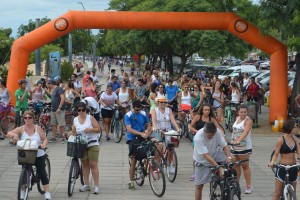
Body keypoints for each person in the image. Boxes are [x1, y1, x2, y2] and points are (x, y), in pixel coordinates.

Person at [7, 111, 52, 200]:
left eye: (29, 118)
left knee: (42, 173)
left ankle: (47, 192)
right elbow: (8, 133)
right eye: (25, 118)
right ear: (23, 119)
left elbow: (45, 139)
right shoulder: (21, 129)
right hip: (26, 154)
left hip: (38, 153)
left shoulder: (37, 128)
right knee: (23, 175)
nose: (27, 119)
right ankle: (23, 191)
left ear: (33, 119)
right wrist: (14, 135)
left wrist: (43, 145)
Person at [69, 102, 101, 194]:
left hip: (92, 143)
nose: (81, 111)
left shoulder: (90, 118)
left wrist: (90, 129)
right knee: (85, 164)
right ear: (77, 111)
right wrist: (68, 134)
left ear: (85, 109)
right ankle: (86, 184)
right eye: (79, 110)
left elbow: (98, 129)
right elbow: (73, 131)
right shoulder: (75, 120)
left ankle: (96, 186)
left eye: (83, 109)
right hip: (82, 144)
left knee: (93, 164)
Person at [193, 122, 231, 200]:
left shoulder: (217, 131)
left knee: (233, 159)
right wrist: (218, 167)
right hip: (202, 161)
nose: (212, 136)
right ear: (205, 131)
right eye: (210, 135)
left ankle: (230, 182)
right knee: (199, 186)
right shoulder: (198, 137)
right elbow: (207, 156)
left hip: (215, 155)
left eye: (213, 134)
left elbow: (225, 145)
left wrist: (228, 157)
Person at [268, 120, 300, 200]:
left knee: (293, 193)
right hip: (282, 167)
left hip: (293, 167)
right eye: (295, 127)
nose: (296, 128)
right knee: (277, 193)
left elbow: (299, 153)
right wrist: (272, 162)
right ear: (290, 128)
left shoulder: (296, 140)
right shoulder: (281, 140)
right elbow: (276, 154)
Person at [125, 100, 151, 190]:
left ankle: (150, 166)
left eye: (139, 110)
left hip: (143, 135)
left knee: (154, 146)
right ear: (132, 107)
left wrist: (148, 130)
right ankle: (131, 181)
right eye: (136, 110)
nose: (138, 111)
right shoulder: (128, 115)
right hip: (132, 138)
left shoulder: (143, 114)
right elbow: (129, 129)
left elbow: (148, 125)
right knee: (133, 159)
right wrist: (140, 134)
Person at [151, 97, 181, 173]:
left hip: (167, 131)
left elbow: (172, 120)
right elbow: (153, 121)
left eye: (164, 102)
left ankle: (170, 164)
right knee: (159, 146)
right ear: (158, 103)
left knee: (171, 148)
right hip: (158, 131)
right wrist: (155, 127)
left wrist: (177, 128)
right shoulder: (154, 110)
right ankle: (157, 165)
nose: (163, 104)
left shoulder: (169, 110)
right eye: (161, 102)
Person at [231, 104, 253, 194]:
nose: (243, 114)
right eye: (241, 112)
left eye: (245, 112)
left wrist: (239, 140)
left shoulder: (248, 121)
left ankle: (248, 186)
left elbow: (246, 131)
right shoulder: (237, 119)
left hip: (244, 146)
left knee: (245, 165)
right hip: (234, 145)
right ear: (238, 112)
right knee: (236, 165)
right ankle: (236, 183)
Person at [47, 79, 66, 143]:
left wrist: (59, 107)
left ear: (51, 84)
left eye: (48, 84)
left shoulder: (59, 89)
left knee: (61, 124)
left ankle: (63, 137)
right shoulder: (53, 90)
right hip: (53, 109)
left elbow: (63, 98)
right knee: (53, 124)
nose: (47, 85)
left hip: (59, 109)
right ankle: (53, 137)